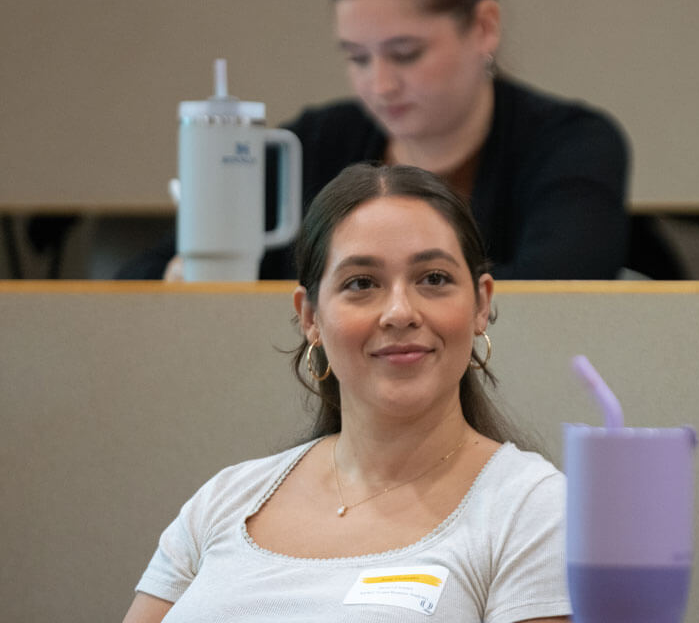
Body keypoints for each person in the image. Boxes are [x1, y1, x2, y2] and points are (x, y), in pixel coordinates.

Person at [123, 164, 571, 622]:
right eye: (362, 283)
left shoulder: (534, 510)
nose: (400, 312)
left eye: (433, 278)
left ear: (481, 304)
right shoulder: (225, 501)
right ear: (310, 316)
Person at [120, 0, 630, 281]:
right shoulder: (315, 143)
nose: (380, 85)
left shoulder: (573, 145)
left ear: (484, 28)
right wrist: (186, 275)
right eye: (357, 58)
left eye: (405, 54)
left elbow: (559, 293)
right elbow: (139, 278)